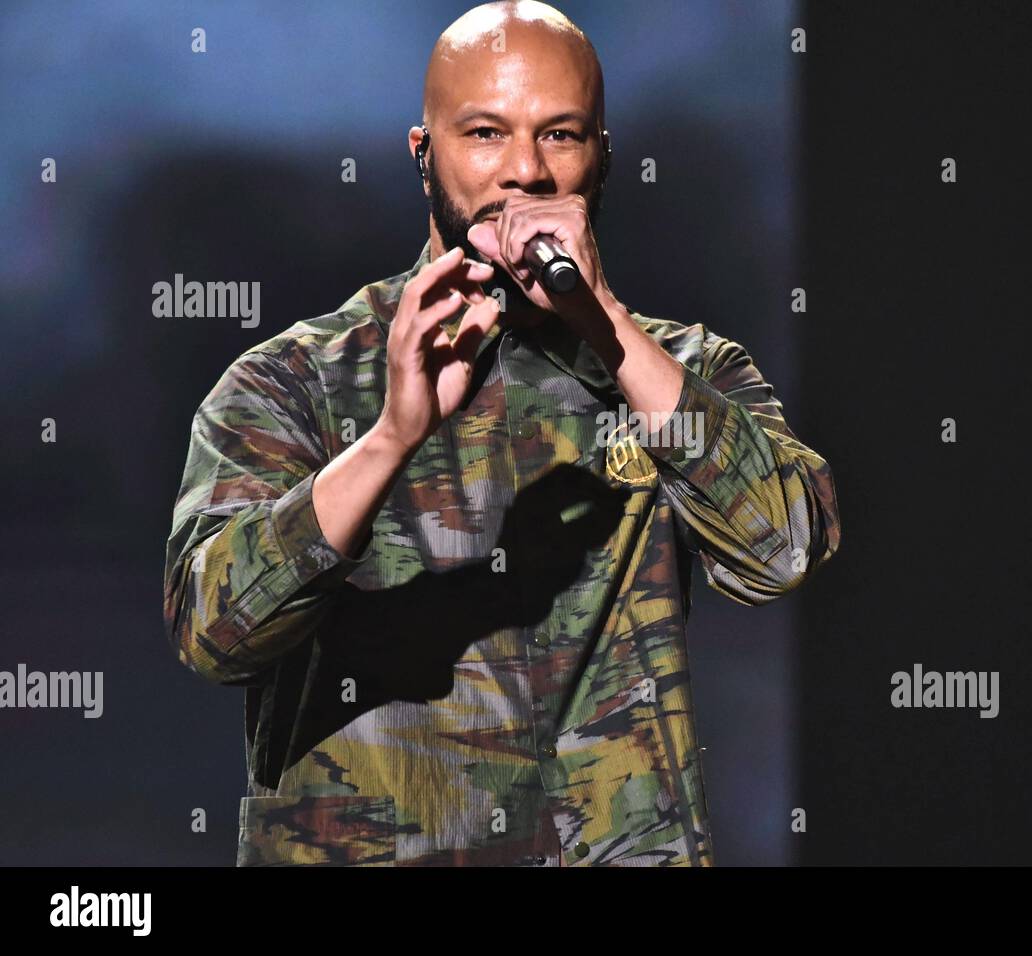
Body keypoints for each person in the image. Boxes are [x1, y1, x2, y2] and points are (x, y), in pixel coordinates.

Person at [163, 0, 840, 867]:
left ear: (603, 157)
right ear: (424, 154)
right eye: (485, 133)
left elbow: (782, 550)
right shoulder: (292, 382)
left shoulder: (679, 368)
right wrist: (390, 439)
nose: (525, 171)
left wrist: (607, 329)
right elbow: (214, 634)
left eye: (560, 135)